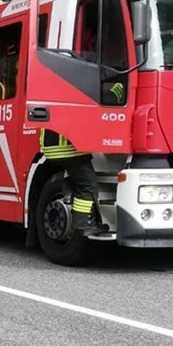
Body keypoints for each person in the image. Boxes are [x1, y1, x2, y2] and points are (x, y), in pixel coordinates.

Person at [39, 82, 124, 235]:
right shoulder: (81, 93)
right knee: (87, 185)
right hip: (68, 149)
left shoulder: (59, 93)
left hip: (53, 149)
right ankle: (84, 224)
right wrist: (119, 87)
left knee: (73, 174)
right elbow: (106, 100)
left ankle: (68, 194)